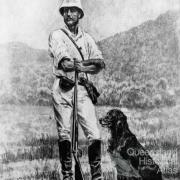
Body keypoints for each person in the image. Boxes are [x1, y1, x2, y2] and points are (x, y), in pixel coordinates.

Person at [48, 0, 105, 179]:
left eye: (73, 11)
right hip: (63, 88)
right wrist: (88, 64)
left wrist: (80, 66)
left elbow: (100, 64)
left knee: (94, 134)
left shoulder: (87, 39)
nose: (69, 14)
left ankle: (97, 176)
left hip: (82, 89)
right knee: (65, 133)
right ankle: (68, 175)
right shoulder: (56, 35)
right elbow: (65, 64)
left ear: (80, 14)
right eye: (65, 11)